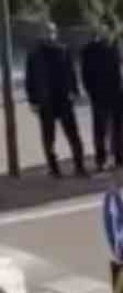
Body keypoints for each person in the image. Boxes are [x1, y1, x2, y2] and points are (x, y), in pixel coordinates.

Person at [24, 23, 88, 178]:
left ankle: (80, 166)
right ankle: (54, 168)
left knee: (73, 134)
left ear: (56, 33)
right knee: (48, 136)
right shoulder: (34, 54)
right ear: (41, 33)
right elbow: (30, 79)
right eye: (46, 31)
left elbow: (71, 72)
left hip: (64, 98)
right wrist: (33, 101)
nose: (49, 34)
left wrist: (75, 91)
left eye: (52, 31)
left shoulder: (63, 50)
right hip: (45, 100)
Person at [81, 26, 123, 171]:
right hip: (100, 94)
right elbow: (86, 73)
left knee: (119, 127)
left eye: (109, 31)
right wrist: (91, 92)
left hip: (120, 93)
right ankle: (101, 160)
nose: (107, 34)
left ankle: (120, 158)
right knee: (100, 129)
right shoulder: (90, 50)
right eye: (104, 32)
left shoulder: (118, 46)